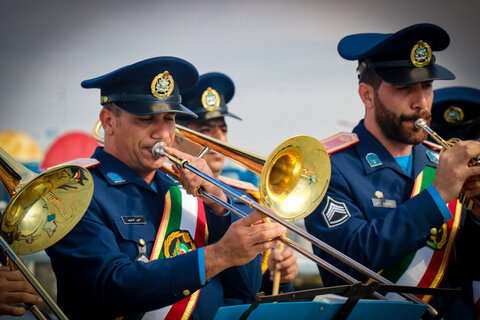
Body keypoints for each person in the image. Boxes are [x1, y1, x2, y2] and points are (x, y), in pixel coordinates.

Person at [45, 57, 286, 320]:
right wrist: (219, 255)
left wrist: (218, 203)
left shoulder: (186, 187)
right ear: (109, 121)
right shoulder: (72, 191)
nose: (162, 133)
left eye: (169, 119)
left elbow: (245, 288)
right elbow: (111, 286)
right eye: (147, 119)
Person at [304, 23, 480, 320]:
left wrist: (477, 215)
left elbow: (468, 269)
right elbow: (352, 261)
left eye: (426, 86)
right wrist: (437, 196)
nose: (421, 103)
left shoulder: (442, 161)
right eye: (404, 88)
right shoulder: (328, 168)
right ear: (367, 95)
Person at [174, 72, 298, 297]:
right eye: (205, 131)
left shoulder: (246, 198)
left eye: (223, 129)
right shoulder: (164, 192)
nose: (219, 139)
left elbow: (250, 290)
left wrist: (277, 276)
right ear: (176, 138)